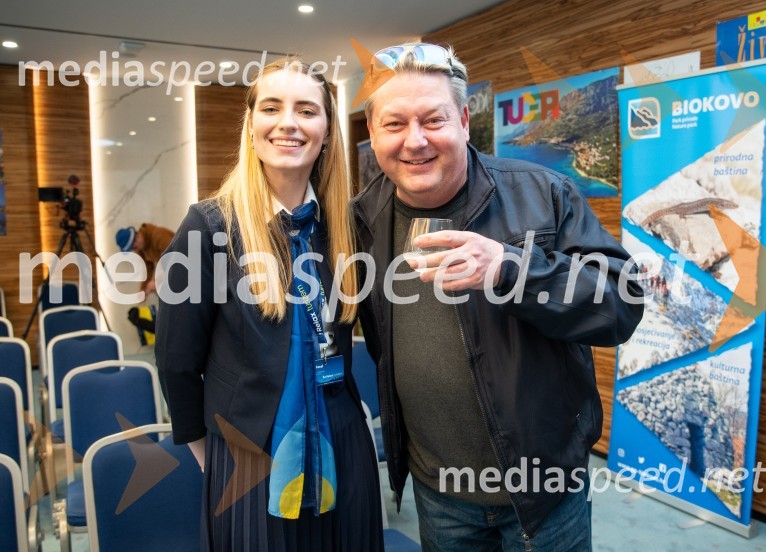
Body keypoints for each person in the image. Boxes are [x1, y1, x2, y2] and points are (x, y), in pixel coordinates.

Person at [353, 43, 644, 551]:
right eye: (394, 124)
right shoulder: (362, 217)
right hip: (438, 491)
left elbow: (621, 304)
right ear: (373, 134)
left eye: (434, 120)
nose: (415, 140)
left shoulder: (543, 193)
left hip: (543, 489)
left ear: (464, 121)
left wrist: (512, 269)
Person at [155, 58, 383, 551]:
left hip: (342, 442)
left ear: (327, 130)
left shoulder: (347, 226)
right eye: (272, 107)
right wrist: (213, 455)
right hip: (250, 453)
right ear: (251, 124)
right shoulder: (209, 227)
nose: (289, 123)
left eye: (307, 110)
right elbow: (176, 360)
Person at [115, 223, 175, 295]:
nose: (135, 250)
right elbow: (148, 267)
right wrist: (143, 290)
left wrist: (157, 281)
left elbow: (172, 260)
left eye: (134, 247)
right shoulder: (142, 248)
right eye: (132, 249)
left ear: (137, 237)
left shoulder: (159, 235)